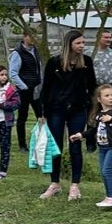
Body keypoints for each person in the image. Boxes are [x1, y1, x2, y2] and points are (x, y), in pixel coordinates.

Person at [38, 30, 97, 200]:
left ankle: (75, 186)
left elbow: (93, 86)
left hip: (78, 109)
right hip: (56, 109)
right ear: (69, 44)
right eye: (78, 43)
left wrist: (95, 108)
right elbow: (46, 88)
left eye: (83, 43)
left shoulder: (86, 62)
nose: (82, 46)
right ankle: (54, 183)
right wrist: (41, 112)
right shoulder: (54, 62)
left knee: (75, 145)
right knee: (56, 147)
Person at [71, 84, 112, 208]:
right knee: (104, 172)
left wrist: (111, 120)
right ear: (99, 99)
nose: (110, 98)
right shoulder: (99, 114)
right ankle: (109, 197)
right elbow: (93, 130)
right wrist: (81, 135)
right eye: (106, 96)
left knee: (107, 170)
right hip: (103, 147)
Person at [8, 31, 43, 152]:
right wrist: (23, 86)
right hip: (24, 90)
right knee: (23, 117)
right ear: (24, 37)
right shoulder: (17, 53)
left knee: (41, 115)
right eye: (31, 36)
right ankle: (22, 144)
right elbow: (13, 73)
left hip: (37, 89)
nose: (34, 38)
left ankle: (43, 141)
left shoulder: (36, 50)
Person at [92, 28, 112, 106]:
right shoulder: (90, 53)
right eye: (106, 37)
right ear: (98, 38)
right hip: (95, 87)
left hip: (110, 86)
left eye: (110, 37)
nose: (109, 39)